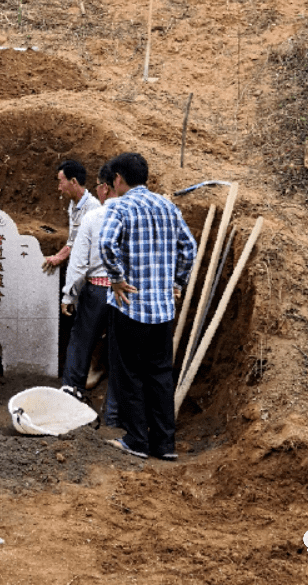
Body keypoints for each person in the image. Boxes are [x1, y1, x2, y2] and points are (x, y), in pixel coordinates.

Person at [99, 152, 197, 460]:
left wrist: (116, 279)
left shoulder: (119, 206)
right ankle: (165, 445)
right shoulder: (167, 206)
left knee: (129, 374)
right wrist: (177, 283)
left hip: (130, 306)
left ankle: (137, 441)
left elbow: (106, 243)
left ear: (118, 179)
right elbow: (189, 247)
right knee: (160, 375)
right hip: (162, 309)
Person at [60, 163, 118, 424]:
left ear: (105, 188)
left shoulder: (94, 217)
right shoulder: (138, 216)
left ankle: (71, 397)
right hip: (127, 294)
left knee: (81, 341)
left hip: (97, 289)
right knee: (121, 349)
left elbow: (79, 263)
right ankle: (115, 414)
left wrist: (69, 295)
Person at [42, 159, 100, 273]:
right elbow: (72, 241)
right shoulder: (73, 205)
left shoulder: (93, 208)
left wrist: (60, 257)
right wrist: (57, 256)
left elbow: (82, 243)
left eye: (61, 182)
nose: (59, 188)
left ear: (73, 181)